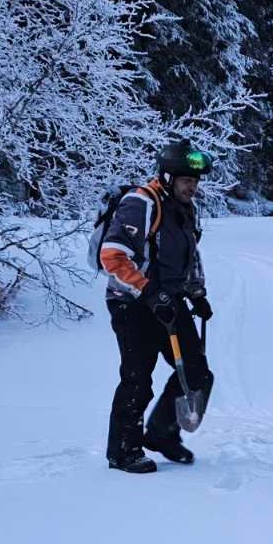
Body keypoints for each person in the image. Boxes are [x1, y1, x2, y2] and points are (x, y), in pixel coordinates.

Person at [100, 141, 215, 473]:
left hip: (169, 300)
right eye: (185, 180)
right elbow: (113, 256)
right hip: (131, 303)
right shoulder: (141, 203)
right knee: (138, 378)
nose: (192, 186)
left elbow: (187, 256)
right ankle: (123, 450)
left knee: (196, 372)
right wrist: (149, 292)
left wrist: (196, 294)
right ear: (167, 176)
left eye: (195, 180)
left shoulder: (184, 209)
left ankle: (162, 433)